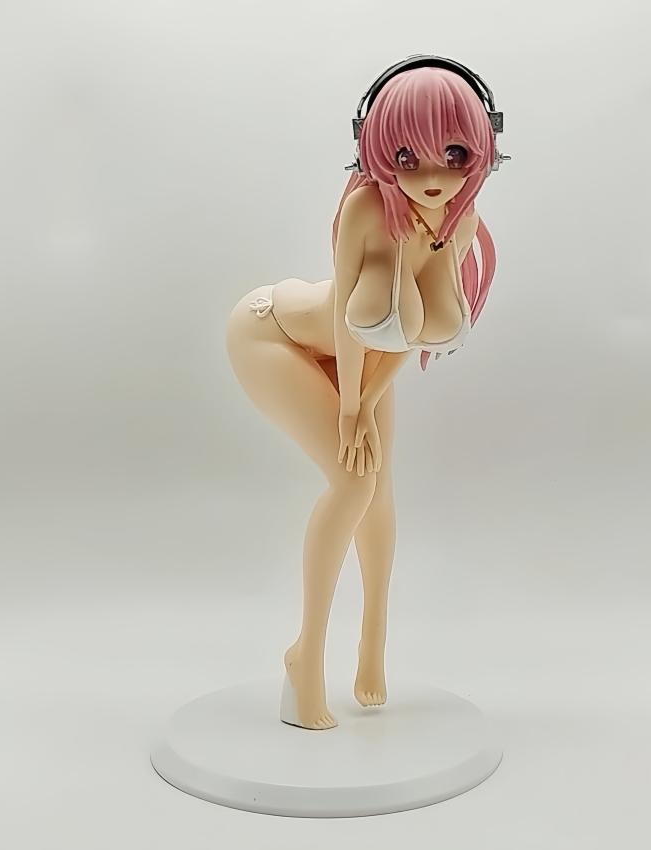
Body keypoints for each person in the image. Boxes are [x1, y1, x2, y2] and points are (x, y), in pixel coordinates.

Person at [225, 61, 502, 730]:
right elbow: (351, 320)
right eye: (407, 156)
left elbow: (411, 333)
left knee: (380, 488)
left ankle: (372, 643)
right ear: (374, 147)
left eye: (454, 154)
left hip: (370, 356)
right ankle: (305, 657)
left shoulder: (458, 219)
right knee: (353, 482)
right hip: (273, 334)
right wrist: (352, 407)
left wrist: (371, 397)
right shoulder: (365, 211)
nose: (432, 174)